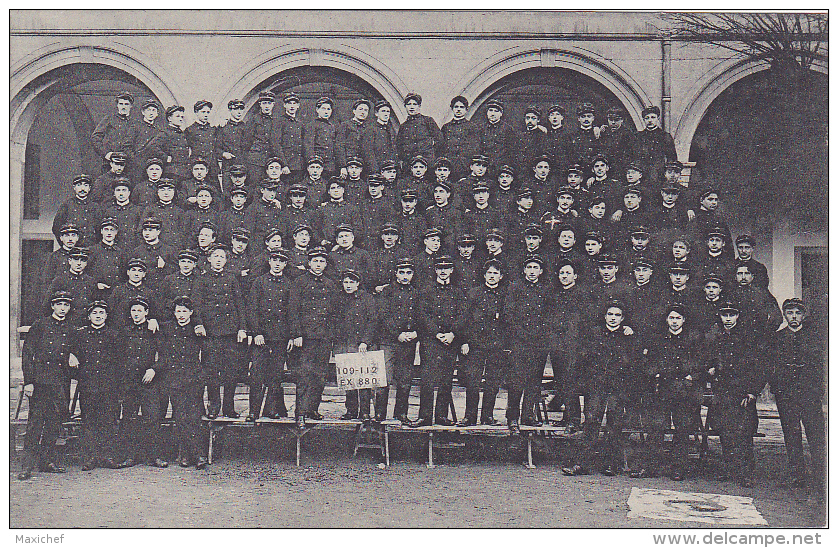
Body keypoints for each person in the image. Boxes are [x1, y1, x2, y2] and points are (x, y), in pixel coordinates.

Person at [562, 300, 637, 476]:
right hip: (597, 386)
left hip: (617, 387)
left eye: (617, 315)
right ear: (604, 316)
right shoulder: (594, 334)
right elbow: (584, 359)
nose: (613, 318)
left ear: (623, 318)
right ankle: (582, 464)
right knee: (591, 422)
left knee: (614, 424)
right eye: (610, 314)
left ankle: (611, 464)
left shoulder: (627, 337)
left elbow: (632, 363)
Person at [639, 303, 704, 480]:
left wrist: (690, 377)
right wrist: (656, 373)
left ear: (684, 320)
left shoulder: (693, 338)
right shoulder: (658, 339)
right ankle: (652, 466)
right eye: (671, 318)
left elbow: (700, 363)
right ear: (666, 320)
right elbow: (648, 362)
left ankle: (678, 468)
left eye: (678, 318)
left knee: (682, 428)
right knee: (656, 427)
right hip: (662, 388)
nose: (674, 322)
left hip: (683, 389)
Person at [17, 291, 76, 480]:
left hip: (60, 383)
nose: (62, 308)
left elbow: (75, 351)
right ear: (52, 306)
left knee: (54, 423)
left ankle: (46, 461)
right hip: (41, 382)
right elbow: (28, 355)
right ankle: (27, 465)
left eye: (66, 305)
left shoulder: (70, 328)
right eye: (59, 304)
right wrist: (29, 382)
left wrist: (73, 355)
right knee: (36, 424)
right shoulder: (40, 325)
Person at [770, 298, 825, 498]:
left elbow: (819, 367)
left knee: (816, 435)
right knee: (791, 435)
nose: (794, 317)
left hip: (809, 394)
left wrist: (818, 390)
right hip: (787, 395)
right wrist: (778, 389)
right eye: (790, 313)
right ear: (785, 315)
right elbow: (773, 366)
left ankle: (822, 474)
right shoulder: (778, 338)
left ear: (803, 315)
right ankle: (797, 475)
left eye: (797, 313)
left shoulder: (812, 337)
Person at [706, 300, 765, 487]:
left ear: (738, 316)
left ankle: (745, 472)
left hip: (742, 391)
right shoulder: (715, 336)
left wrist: (752, 391)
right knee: (725, 431)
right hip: (723, 390)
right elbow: (707, 358)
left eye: (732, 315)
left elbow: (758, 366)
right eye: (725, 315)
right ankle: (729, 468)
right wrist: (711, 368)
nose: (728, 319)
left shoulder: (748, 337)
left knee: (744, 432)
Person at [410, 254, 467, 427]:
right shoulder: (426, 291)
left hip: (450, 342)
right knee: (427, 379)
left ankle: (441, 416)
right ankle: (424, 416)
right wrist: (436, 333)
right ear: (435, 270)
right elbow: (422, 315)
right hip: (431, 341)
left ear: (451, 270)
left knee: (446, 379)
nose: (443, 271)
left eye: (446, 268)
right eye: (440, 268)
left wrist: (452, 334)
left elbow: (462, 315)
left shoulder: (458, 292)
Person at [193, 244, 248, 419]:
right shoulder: (201, 280)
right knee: (212, 371)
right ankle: (214, 405)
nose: (218, 260)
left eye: (222, 257)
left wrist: (242, 328)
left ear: (226, 261)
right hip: (210, 333)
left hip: (230, 332)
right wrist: (199, 324)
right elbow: (196, 305)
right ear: (209, 259)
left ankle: (229, 407)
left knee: (231, 371)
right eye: (215, 256)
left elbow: (240, 304)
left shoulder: (232, 279)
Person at [288, 246, 341, 428]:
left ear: (326, 264)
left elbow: (335, 312)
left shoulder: (330, 284)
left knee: (320, 375)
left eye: (322, 261)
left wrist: (331, 335)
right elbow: (293, 310)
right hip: (306, 337)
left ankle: (312, 408)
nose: (319, 264)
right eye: (315, 261)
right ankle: (300, 413)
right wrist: (297, 334)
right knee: (304, 375)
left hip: (324, 337)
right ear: (309, 262)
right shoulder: (299, 282)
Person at [157, 296, 208, 469]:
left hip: (194, 377)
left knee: (194, 416)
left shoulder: (197, 330)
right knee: (180, 417)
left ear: (191, 313)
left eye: (184, 311)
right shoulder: (166, 329)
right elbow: (163, 354)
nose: (181, 315)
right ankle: (188, 454)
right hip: (175, 377)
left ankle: (195, 454)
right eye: (178, 311)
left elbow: (206, 352)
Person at [504, 254, 553, 433]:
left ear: (540, 271)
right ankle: (513, 417)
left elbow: (549, 316)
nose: (532, 271)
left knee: (534, 381)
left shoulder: (546, 290)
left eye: (535, 268)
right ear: (524, 270)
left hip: (539, 343)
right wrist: (522, 334)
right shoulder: (515, 287)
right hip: (520, 341)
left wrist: (541, 336)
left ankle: (528, 415)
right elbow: (509, 314)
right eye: (529, 268)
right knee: (516, 381)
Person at [70, 301, 121, 471]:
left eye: (101, 313)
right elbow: (71, 353)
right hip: (88, 384)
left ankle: (107, 455)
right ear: (89, 316)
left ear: (106, 316)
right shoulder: (80, 335)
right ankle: (90, 457)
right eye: (95, 313)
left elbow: (120, 360)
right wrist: (72, 356)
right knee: (89, 420)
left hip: (109, 385)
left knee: (109, 419)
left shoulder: (114, 335)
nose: (98, 316)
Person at [116, 296, 166, 469]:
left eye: (140, 310)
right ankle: (130, 455)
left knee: (152, 418)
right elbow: (117, 355)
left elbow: (165, 355)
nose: (136, 314)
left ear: (146, 313)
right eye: (133, 310)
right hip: (129, 382)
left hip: (149, 381)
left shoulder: (154, 330)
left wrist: (154, 369)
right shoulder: (124, 330)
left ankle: (154, 456)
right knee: (129, 418)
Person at [460, 258, 509, 426]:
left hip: (496, 345)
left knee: (492, 382)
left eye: (496, 273)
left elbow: (508, 321)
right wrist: (465, 341)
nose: (492, 276)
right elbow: (465, 320)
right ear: (484, 275)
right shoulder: (474, 293)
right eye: (489, 273)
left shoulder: (505, 295)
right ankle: (470, 416)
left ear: (501, 276)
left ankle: (487, 415)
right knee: (472, 381)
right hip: (475, 345)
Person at [246, 249, 293, 421]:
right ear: (269, 262)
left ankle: (271, 409)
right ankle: (253, 411)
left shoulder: (289, 284)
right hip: (262, 337)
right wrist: (257, 332)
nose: (278, 263)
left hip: (280, 336)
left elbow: (292, 312)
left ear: (285, 264)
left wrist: (291, 336)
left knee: (275, 375)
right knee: (257, 375)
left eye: (281, 261)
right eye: (275, 260)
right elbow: (252, 309)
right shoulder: (259, 282)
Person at [379, 257, 420, 424]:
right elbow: (383, 315)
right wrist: (397, 334)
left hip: (408, 342)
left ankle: (400, 414)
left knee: (404, 381)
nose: (405, 276)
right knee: (384, 380)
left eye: (408, 273)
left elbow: (420, 316)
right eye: (401, 272)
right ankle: (380, 415)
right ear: (395, 273)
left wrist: (416, 332)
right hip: (389, 341)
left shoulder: (416, 293)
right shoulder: (387, 292)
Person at [335, 269, 380, 421]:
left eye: (352, 282)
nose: (348, 285)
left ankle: (365, 411)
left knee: (363, 380)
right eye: (345, 282)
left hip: (362, 344)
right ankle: (351, 410)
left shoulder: (367, 299)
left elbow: (373, 320)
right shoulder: (339, 299)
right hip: (345, 343)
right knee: (349, 379)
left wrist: (365, 341)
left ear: (358, 283)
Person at [91, 91, 137, 174]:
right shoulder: (109, 119)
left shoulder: (134, 123)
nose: (123, 107)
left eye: (126, 104)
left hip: (128, 164)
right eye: (121, 104)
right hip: (110, 163)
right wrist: (106, 153)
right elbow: (95, 137)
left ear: (131, 106)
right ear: (117, 105)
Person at [52, 174, 102, 246]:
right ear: (74, 187)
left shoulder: (95, 207)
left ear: (89, 188)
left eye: (85, 185)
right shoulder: (67, 205)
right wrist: (65, 246)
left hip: (91, 249)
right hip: (72, 250)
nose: (82, 188)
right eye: (79, 185)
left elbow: (100, 230)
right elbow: (56, 228)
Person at [396, 93, 442, 170]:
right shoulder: (403, 126)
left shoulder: (428, 121)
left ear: (419, 106)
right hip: (409, 165)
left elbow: (439, 140)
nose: (411, 107)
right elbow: (399, 146)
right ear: (405, 106)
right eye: (409, 104)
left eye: (414, 104)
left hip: (427, 164)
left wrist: (430, 155)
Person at [634, 105, 677, 184]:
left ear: (658, 119)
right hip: (641, 175)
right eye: (647, 118)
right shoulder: (638, 136)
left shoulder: (665, 136)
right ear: (643, 120)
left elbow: (671, 158)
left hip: (659, 175)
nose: (650, 120)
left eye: (653, 117)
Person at [140, 178, 187, 250]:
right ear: (158, 192)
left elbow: (184, 234)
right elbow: (140, 231)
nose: (166, 193)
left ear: (174, 192)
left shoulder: (180, 212)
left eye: (169, 190)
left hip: (174, 250)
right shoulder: (150, 209)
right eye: (162, 190)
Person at [244, 91, 279, 185]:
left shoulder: (277, 120)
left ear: (273, 104)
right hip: (256, 160)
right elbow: (247, 141)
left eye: (269, 103)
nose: (267, 106)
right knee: (255, 184)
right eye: (264, 103)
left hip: (272, 159)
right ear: (260, 104)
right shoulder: (254, 119)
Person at [441, 96, 480, 181]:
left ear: (466, 110)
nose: (458, 109)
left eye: (461, 107)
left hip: (465, 168)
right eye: (456, 107)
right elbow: (441, 147)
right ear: (452, 109)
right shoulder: (446, 127)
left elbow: (475, 149)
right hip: (449, 167)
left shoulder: (472, 127)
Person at [478, 98, 517, 175]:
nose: (493, 114)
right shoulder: (480, 128)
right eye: (490, 110)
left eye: (496, 111)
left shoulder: (507, 129)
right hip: (484, 168)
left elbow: (512, 151)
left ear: (501, 113)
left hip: (501, 168)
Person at [360, 99, 398, 175]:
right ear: (376, 113)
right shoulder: (370, 129)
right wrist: (375, 170)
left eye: (388, 112)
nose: (386, 114)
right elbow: (368, 152)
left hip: (390, 170)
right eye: (383, 111)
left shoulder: (391, 130)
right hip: (377, 169)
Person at [336, 99, 371, 178]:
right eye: (360, 109)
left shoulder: (369, 128)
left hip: (363, 167)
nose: (363, 112)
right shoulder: (345, 125)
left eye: (366, 110)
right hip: (349, 165)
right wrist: (343, 166)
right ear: (354, 111)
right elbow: (339, 146)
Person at [304, 96, 339, 176]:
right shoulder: (311, 125)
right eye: (323, 108)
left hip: (330, 165)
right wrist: (313, 164)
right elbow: (308, 146)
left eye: (328, 109)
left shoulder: (332, 126)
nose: (326, 111)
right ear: (317, 110)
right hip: (317, 164)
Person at [217, 99, 247, 189]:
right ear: (230, 110)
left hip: (243, 165)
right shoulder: (223, 127)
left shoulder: (246, 127)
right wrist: (223, 154)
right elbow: (216, 147)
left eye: (241, 109)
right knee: (227, 192)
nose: (239, 112)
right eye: (236, 109)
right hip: (228, 166)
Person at [185, 100, 218, 181]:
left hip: (212, 166)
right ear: (196, 112)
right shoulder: (190, 130)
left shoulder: (212, 129)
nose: (206, 115)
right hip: (197, 167)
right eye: (203, 112)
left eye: (208, 112)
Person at [158, 105, 190, 183]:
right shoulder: (165, 133)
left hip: (184, 172)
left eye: (182, 117)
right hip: (172, 172)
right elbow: (152, 148)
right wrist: (166, 158)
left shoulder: (181, 133)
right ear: (169, 118)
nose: (180, 119)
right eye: (177, 116)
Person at [518, 105, 546, 178]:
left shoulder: (542, 136)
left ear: (538, 120)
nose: (530, 121)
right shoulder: (520, 135)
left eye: (533, 118)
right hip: (520, 172)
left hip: (535, 173)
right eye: (528, 118)